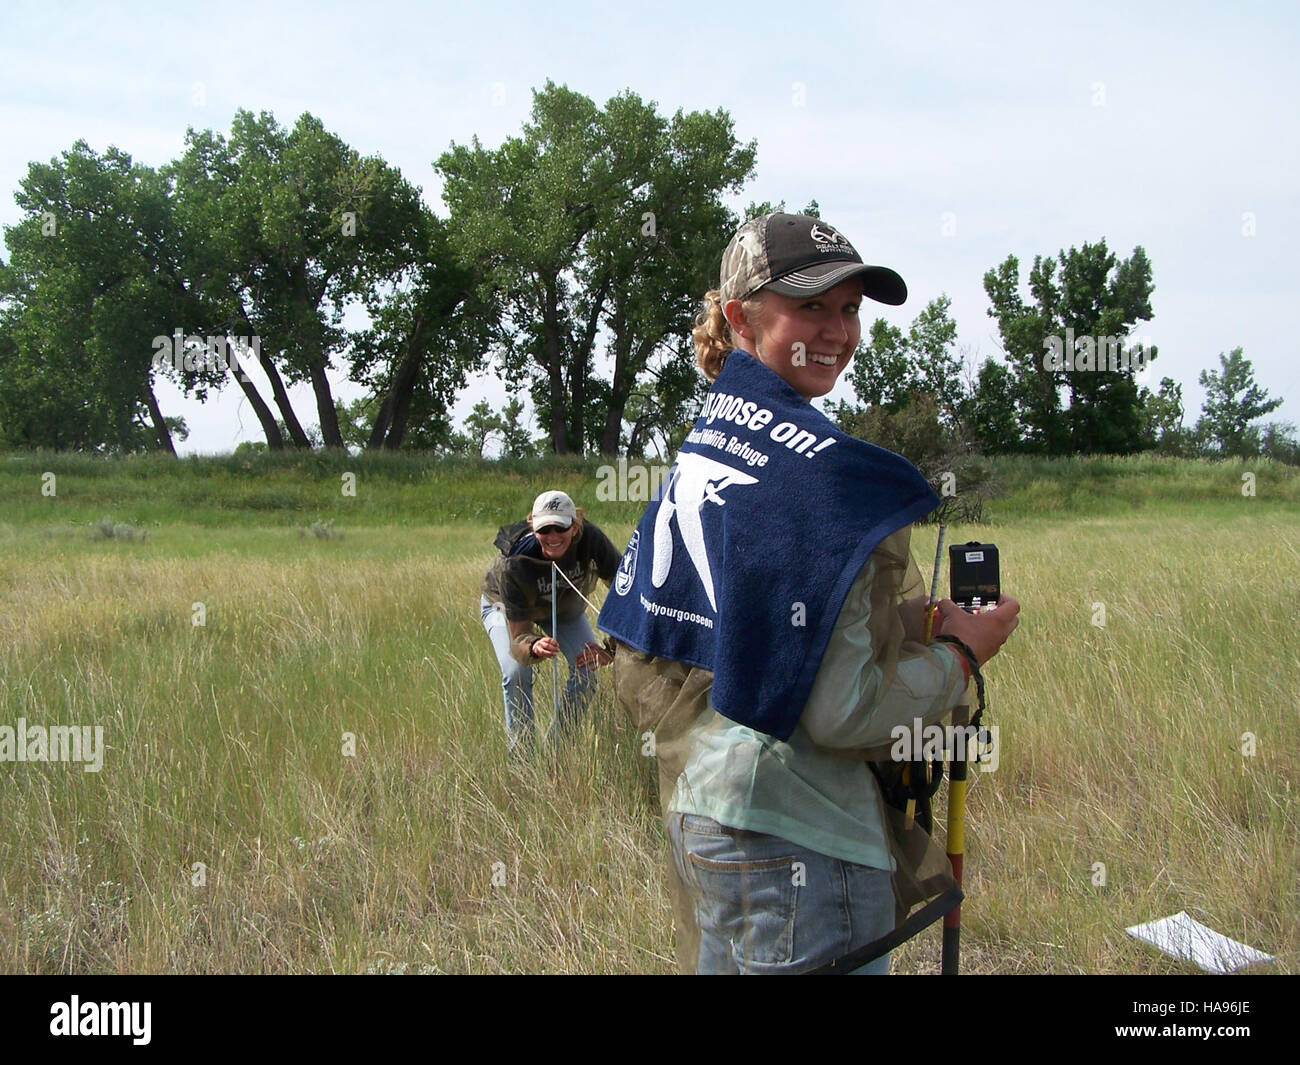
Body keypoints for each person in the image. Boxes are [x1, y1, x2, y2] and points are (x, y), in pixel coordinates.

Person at [599, 212, 1021, 974]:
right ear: (740, 317)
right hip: (803, 838)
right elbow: (841, 711)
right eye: (812, 307)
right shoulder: (821, 476)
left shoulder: (714, 446)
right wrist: (961, 655)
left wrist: (904, 619)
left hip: (706, 816)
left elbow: (755, 628)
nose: (837, 330)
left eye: (850, 308)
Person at [480, 489, 621, 754]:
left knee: (587, 672)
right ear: (533, 528)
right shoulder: (515, 561)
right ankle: (523, 761)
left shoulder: (592, 540)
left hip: (563, 608)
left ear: (575, 526)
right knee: (516, 672)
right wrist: (533, 646)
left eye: (561, 527)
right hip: (504, 608)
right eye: (545, 530)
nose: (553, 537)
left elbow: (626, 592)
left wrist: (611, 649)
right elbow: (519, 639)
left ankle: (556, 752)